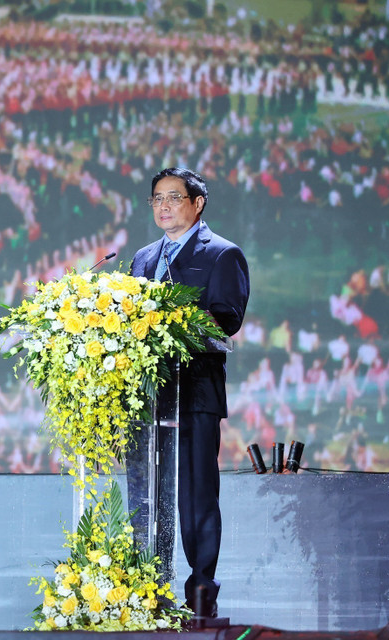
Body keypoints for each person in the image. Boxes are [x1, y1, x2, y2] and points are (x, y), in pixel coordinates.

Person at [127, 167, 250, 619]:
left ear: (197, 203)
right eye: (156, 198)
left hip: (194, 394)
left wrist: (168, 320)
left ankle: (201, 593)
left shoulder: (222, 255)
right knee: (145, 494)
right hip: (147, 398)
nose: (162, 206)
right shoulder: (142, 258)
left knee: (196, 495)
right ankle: (145, 586)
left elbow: (226, 319)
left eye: (173, 197)